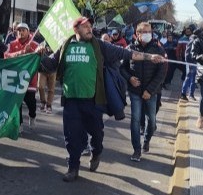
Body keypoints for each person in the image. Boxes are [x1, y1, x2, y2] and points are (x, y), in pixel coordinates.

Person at [47, 16, 166, 182]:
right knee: (71, 135)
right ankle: (73, 167)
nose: (90, 29)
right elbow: (49, 64)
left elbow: (126, 53)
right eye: (85, 26)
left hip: (93, 100)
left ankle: (96, 153)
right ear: (76, 30)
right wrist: (35, 56)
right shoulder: (65, 46)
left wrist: (148, 57)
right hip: (71, 100)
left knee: (96, 134)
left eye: (90, 26)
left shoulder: (100, 46)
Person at [121, 22, 167, 161]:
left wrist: (150, 90)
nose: (148, 34)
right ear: (138, 34)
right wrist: (130, 79)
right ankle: (136, 149)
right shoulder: (130, 49)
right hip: (135, 91)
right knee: (135, 120)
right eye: (144, 32)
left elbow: (162, 72)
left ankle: (147, 140)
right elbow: (122, 68)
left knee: (151, 121)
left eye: (149, 32)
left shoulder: (158, 49)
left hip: (151, 92)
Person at [4, 22, 40, 131]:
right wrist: (22, 52)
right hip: (15, 79)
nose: (21, 32)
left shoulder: (34, 44)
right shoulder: (11, 44)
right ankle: (19, 124)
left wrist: (35, 51)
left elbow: (40, 57)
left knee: (31, 102)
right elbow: (6, 56)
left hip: (30, 79)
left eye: (23, 30)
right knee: (17, 102)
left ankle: (32, 116)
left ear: (28, 32)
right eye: (18, 30)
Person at [37, 43, 57, 114]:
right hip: (42, 71)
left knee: (51, 89)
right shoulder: (42, 44)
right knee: (40, 87)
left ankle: (49, 105)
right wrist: (39, 50)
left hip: (53, 71)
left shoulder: (57, 45)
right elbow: (36, 52)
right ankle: (43, 102)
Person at [179, 27, 198, 101]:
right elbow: (187, 53)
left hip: (195, 62)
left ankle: (191, 94)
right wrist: (189, 63)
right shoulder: (193, 40)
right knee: (188, 78)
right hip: (191, 63)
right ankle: (183, 94)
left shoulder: (194, 39)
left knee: (193, 79)